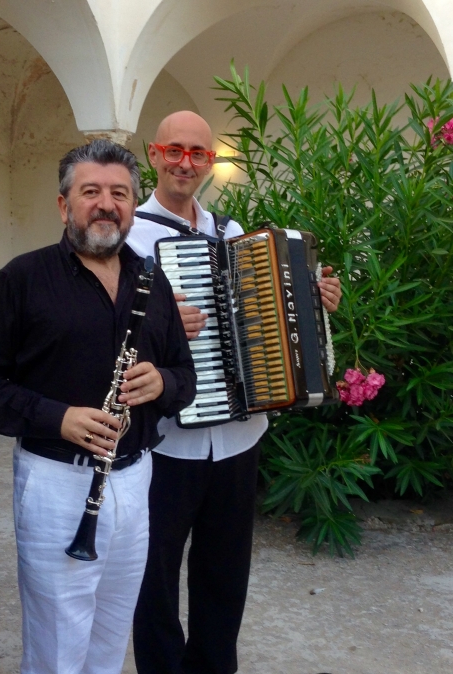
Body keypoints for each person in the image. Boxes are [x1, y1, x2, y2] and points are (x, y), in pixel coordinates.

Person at [0, 140, 196, 674]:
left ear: (133, 205)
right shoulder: (23, 278)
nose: (106, 204)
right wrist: (56, 416)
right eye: (91, 192)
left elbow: (187, 377)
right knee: (58, 647)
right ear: (64, 205)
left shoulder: (153, 283)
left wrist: (163, 382)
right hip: (55, 481)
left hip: (135, 481)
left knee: (110, 636)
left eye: (119, 193)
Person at [128, 111, 342, 674]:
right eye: (175, 150)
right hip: (165, 443)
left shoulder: (230, 233)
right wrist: (160, 321)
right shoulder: (127, 236)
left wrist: (312, 298)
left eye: (198, 153)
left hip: (239, 437)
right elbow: (100, 327)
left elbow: (273, 313)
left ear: (209, 162)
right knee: (154, 576)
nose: (186, 162)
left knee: (225, 575)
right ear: (154, 153)